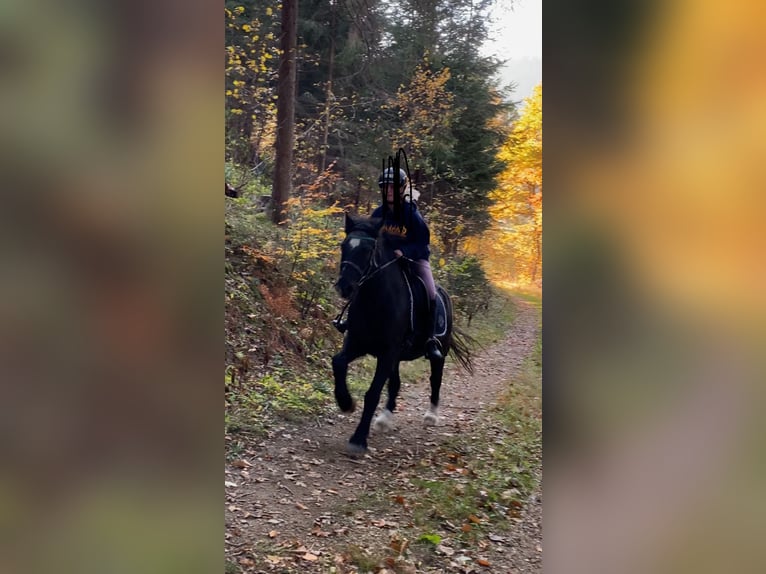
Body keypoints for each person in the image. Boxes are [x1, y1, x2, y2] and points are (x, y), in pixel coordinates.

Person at [371, 167, 443, 361]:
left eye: (393, 188)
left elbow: (423, 243)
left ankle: (430, 340)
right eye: (385, 188)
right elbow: (370, 237)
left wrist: (405, 252)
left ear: (402, 189)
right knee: (364, 281)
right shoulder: (378, 213)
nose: (389, 192)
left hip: (414, 261)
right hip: (386, 263)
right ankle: (352, 322)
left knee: (430, 292)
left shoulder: (412, 215)